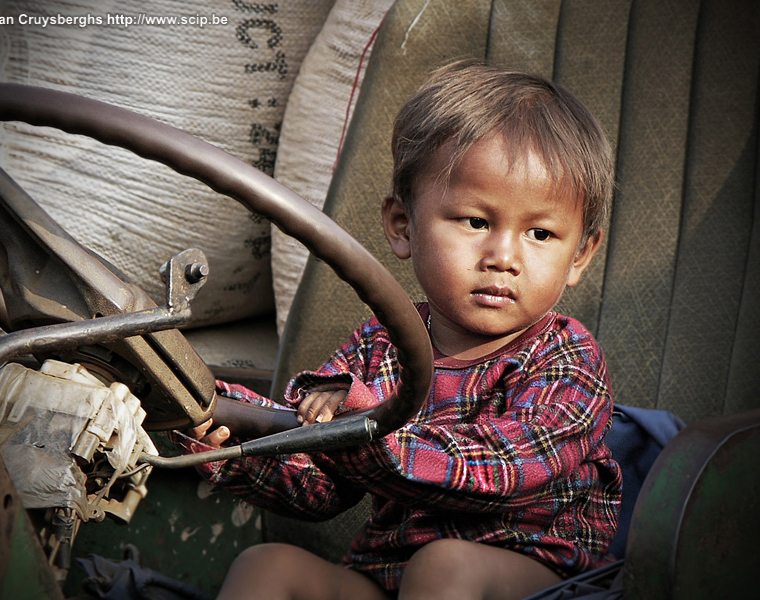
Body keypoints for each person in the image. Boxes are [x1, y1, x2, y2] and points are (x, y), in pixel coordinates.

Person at [173, 60, 622, 600]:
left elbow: (506, 472)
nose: (504, 257)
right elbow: (319, 488)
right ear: (402, 226)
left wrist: (365, 428)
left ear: (580, 255)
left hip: (534, 579)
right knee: (268, 565)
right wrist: (224, 430)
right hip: (390, 578)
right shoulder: (377, 348)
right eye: (476, 222)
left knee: (445, 567)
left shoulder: (567, 357)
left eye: (541, 233)